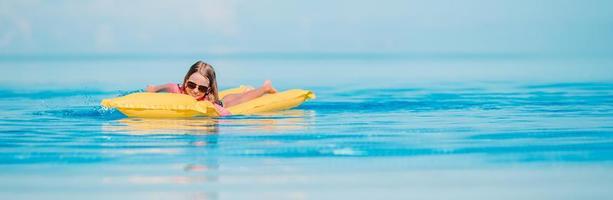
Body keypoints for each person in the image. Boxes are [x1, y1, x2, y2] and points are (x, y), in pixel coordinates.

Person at [145, 60, 277, 116]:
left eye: (201, 88)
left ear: (208, 89)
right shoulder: (173, 88)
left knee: (237, 99)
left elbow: (226, 114)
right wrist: (151, 90)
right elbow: (154, 89)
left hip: (218, 103)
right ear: (185, 81)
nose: (195, 90)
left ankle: (265, 88)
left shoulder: (209, 102)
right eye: (191, 85)